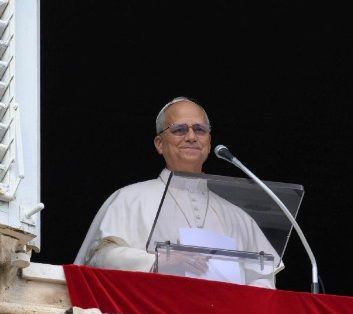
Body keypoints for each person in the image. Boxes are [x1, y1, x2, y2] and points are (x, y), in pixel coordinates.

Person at [74, 97, 283, 288]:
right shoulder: (129, 199)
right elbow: (100, 258)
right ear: (159, 144)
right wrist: (160, 262)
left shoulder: (238, 217)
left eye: (200, 130)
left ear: (209, 144)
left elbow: (262, 280)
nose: (191, 137)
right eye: (179, 130)